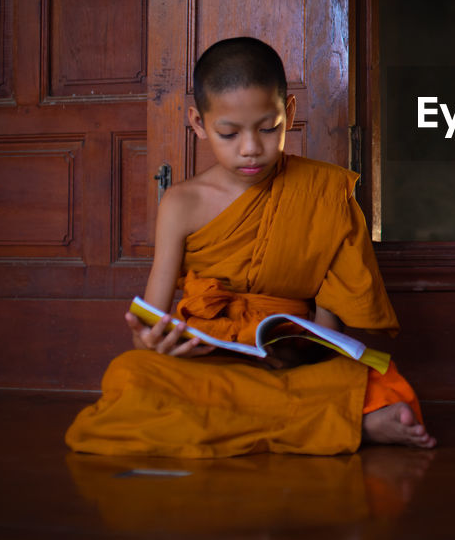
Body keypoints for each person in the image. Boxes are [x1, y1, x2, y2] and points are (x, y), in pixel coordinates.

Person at [66, 37, 434, 457]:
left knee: (378, 380)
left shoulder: (325, 192)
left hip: (289, 363)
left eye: (268, 128)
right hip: (207, 361)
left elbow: (330, 332)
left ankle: (313, 413)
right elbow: (151, 323)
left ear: (289, 113)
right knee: (129, 374)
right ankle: (345, 423)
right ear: (199, 123)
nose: (251, 147)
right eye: (229, 132)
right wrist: (152, 344)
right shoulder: (181, 204)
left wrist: (297, 356)